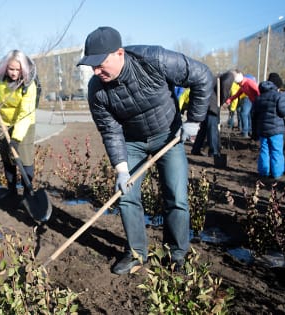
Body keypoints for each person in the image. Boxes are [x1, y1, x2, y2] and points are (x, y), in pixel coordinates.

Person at [77, 26, 213, 275]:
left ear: (119, 53)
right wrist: (121, 169)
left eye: (100, 64)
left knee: (177, 196)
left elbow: (202, 76)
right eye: (92, 66)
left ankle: (177, 254)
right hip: (132, 142)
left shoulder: (154, 59)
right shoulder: (96, 90)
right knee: (127, 196)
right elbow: (110, 131)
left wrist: (194, 120)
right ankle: (137, 253)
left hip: (168, 136)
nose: (96, 71)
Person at [0, 50, 38, 200]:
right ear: (5, 67)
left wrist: (15, 139)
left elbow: (25, 114)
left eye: (18, 69)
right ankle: (11, 190)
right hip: (2, 121)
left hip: (24, 122)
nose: (14, 73)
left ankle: (28, 194)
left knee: (25, 159)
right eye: (11, 69)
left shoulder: (29, 85)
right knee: (7, 158)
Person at [252, 73, 285, 179]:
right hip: (276, 130)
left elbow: (253, 116)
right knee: (276, 151)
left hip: (262, 130)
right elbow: (283, 112)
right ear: (277, 86)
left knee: (264, 150)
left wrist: (254, 132)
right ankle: (276, 173)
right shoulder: (279, 97)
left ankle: (264, 172)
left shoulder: (258, 98)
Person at [191, 71, 234, 157]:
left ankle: (196, 148)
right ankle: (214, 151)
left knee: (203, 128)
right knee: (212, 129)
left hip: (206, 104)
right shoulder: (229, 76)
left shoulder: (214, 79)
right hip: (211, 106)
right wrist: (223, 101)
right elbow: (225, 87)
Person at [224, 71, 260, 139]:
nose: (238, 85)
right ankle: (252, 133)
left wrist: (260, 102)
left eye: (238, 83)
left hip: (257, 102)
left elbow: (258, 91)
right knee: (250, 116)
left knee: (248, 116)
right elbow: (237, 94)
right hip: (253, 102)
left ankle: (250, 133)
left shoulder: (249, 82)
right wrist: (229, 100)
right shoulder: (242, 86)